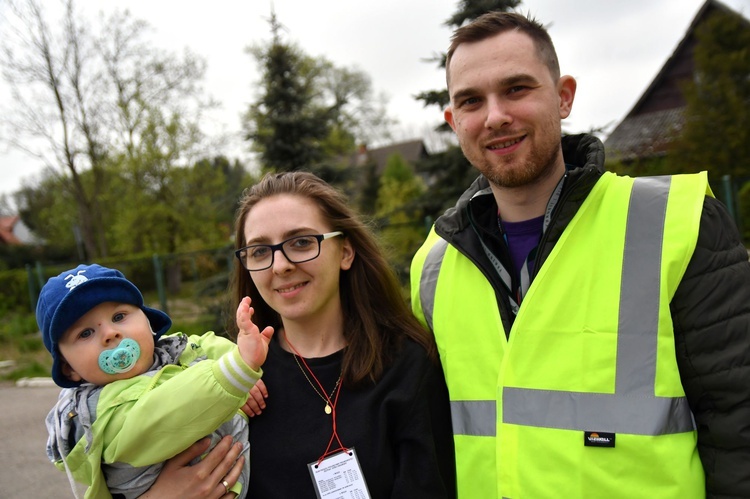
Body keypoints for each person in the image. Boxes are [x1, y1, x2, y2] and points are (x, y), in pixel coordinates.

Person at [409, 11, 750, 499]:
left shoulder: (678, 224)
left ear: (564, 96)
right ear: (453, 121)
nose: (495, 115)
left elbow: (739, 424)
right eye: (471, 101)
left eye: (517, 89)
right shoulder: (433, 268)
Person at [142, 171, 456, 498]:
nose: (280, 266)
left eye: (302, 242)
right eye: (261, 251)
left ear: (346, 252)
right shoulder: (233, 378)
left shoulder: (406, 363)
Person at [39, 263, 273, 499]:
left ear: (148, 322)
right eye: (85, 333)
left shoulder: (174, 350)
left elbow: (207, 344)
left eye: (119, 316)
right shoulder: (96, 413)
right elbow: (165, 415)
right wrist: (234, 373)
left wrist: (239, 361)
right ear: (69, 369)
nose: (110, 333)